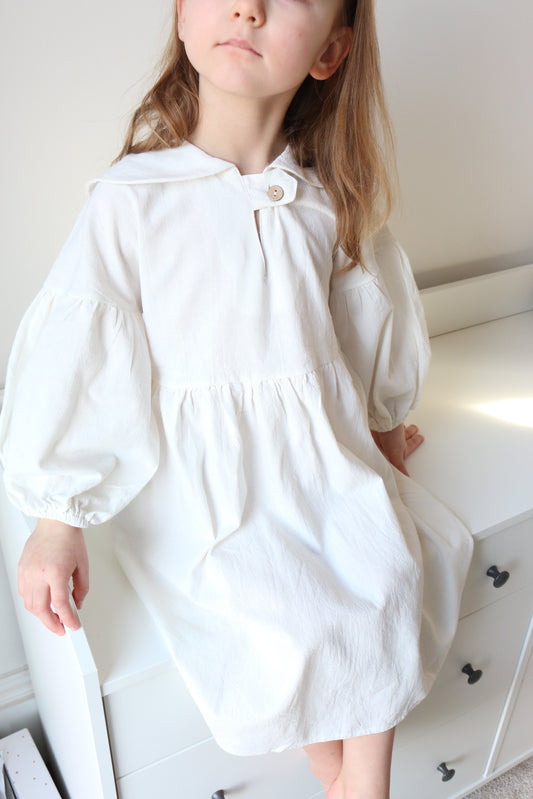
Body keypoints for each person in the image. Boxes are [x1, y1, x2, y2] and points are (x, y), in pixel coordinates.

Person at [0, 0, 473, 797]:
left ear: (330, 53)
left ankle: (355, 781)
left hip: (317, 453)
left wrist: (385, 428)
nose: (248, 7)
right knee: (285, 617)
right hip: (205, 482)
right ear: (184, 17)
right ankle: (354, 780)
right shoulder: (131, 200)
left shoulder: (328, 199)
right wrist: (57, 518)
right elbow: (84, 355)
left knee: (390, 573)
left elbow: (367, 325)